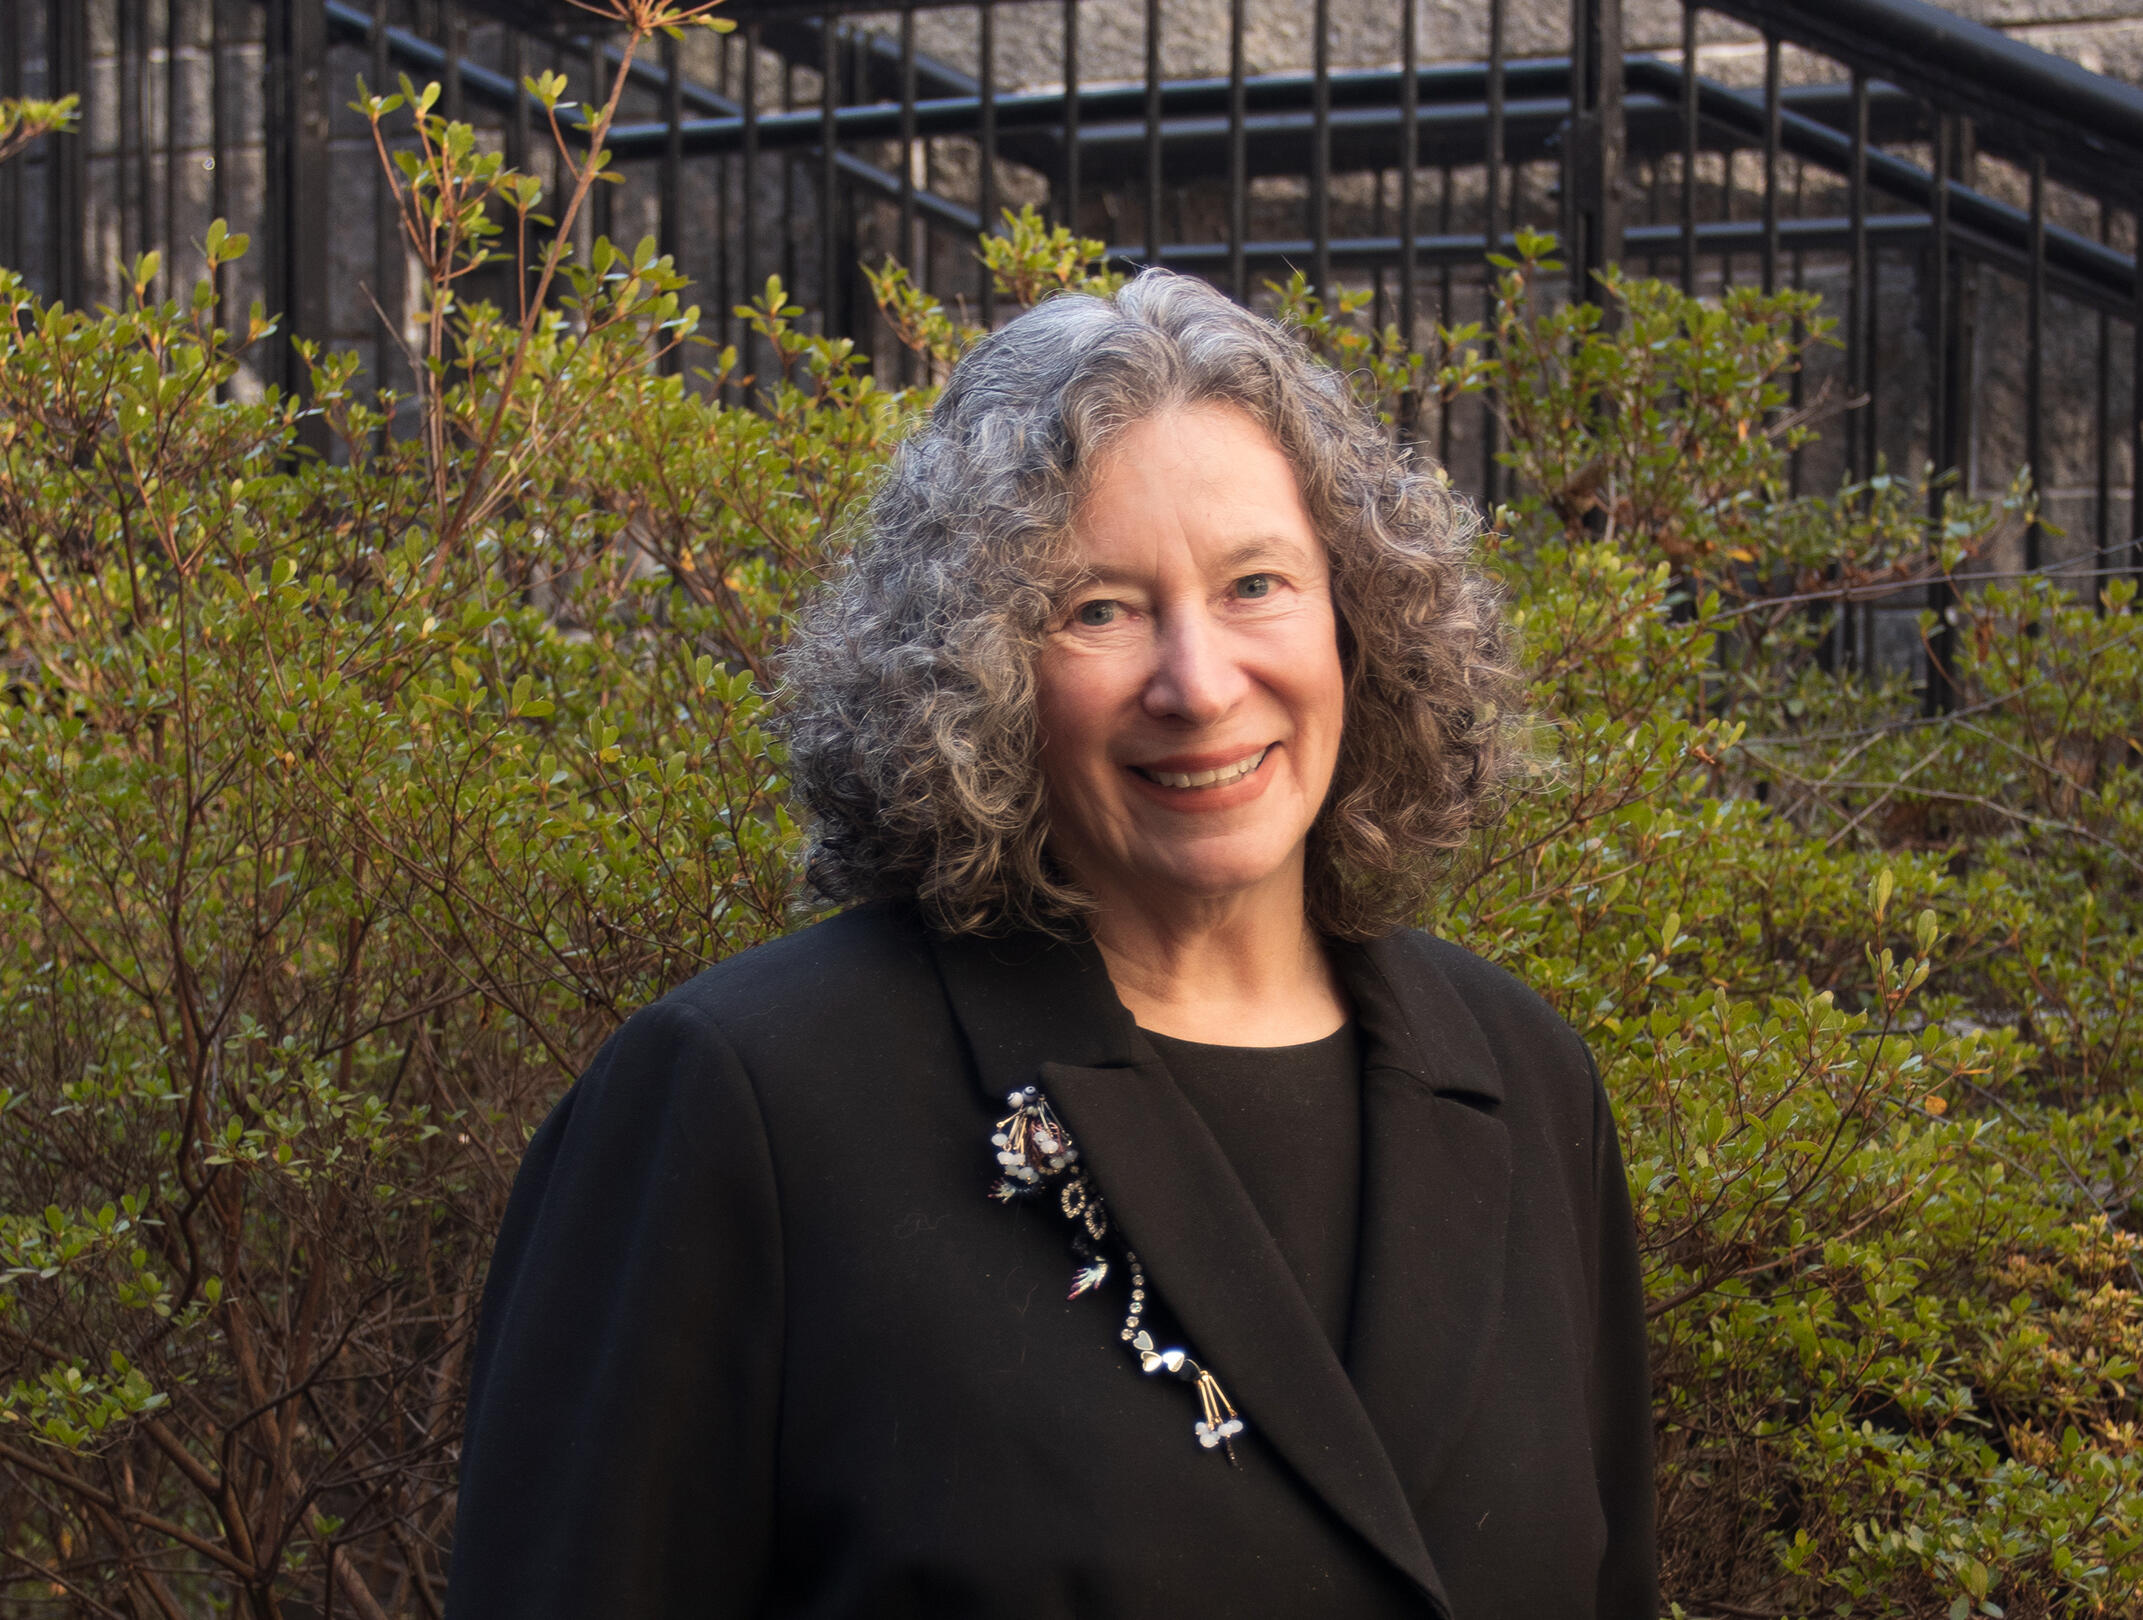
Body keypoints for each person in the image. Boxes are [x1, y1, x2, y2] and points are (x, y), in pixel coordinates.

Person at [446, 270, 1656, 1619]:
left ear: (1358, 624)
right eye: (1099, 609)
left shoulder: (1524, 1083)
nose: (1197, 683)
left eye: (1256, 583)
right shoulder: (749, 1104)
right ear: (979, 665)